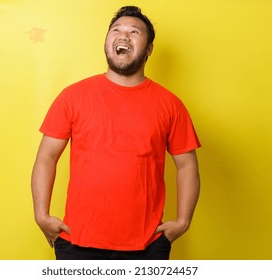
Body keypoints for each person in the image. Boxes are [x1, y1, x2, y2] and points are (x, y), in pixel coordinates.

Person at [31, 6, 201, 260]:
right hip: (77, 241)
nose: (124, 36)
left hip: (147, 245)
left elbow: (187, 166)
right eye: (116, 30)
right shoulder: (72, 96)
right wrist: (41, 215)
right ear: (107, 41)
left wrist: (183, 221)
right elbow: (46, 156)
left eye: (134, 31)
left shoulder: (170, 104)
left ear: (149, 49)